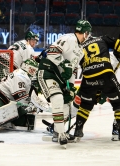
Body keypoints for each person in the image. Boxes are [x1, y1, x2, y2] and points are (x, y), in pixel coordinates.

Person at [37, 19, 92, 148]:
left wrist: (71, 87)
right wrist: (63, 64)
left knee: (67, 103)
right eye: (87, 33)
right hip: (48, 72)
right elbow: (51, 52)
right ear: (84, 33)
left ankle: (57, 132)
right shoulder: (68, 39)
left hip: (60, 79)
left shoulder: (80, 50)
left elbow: (72, 69)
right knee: (58, 98)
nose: (88, 36)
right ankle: (61, 133)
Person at [73, 34, 120, 146]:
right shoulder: (117, 54)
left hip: (88, 80)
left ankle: (75, 130)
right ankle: (119, 131)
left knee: (83, 105)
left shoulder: (85, 47)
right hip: (106, 80)